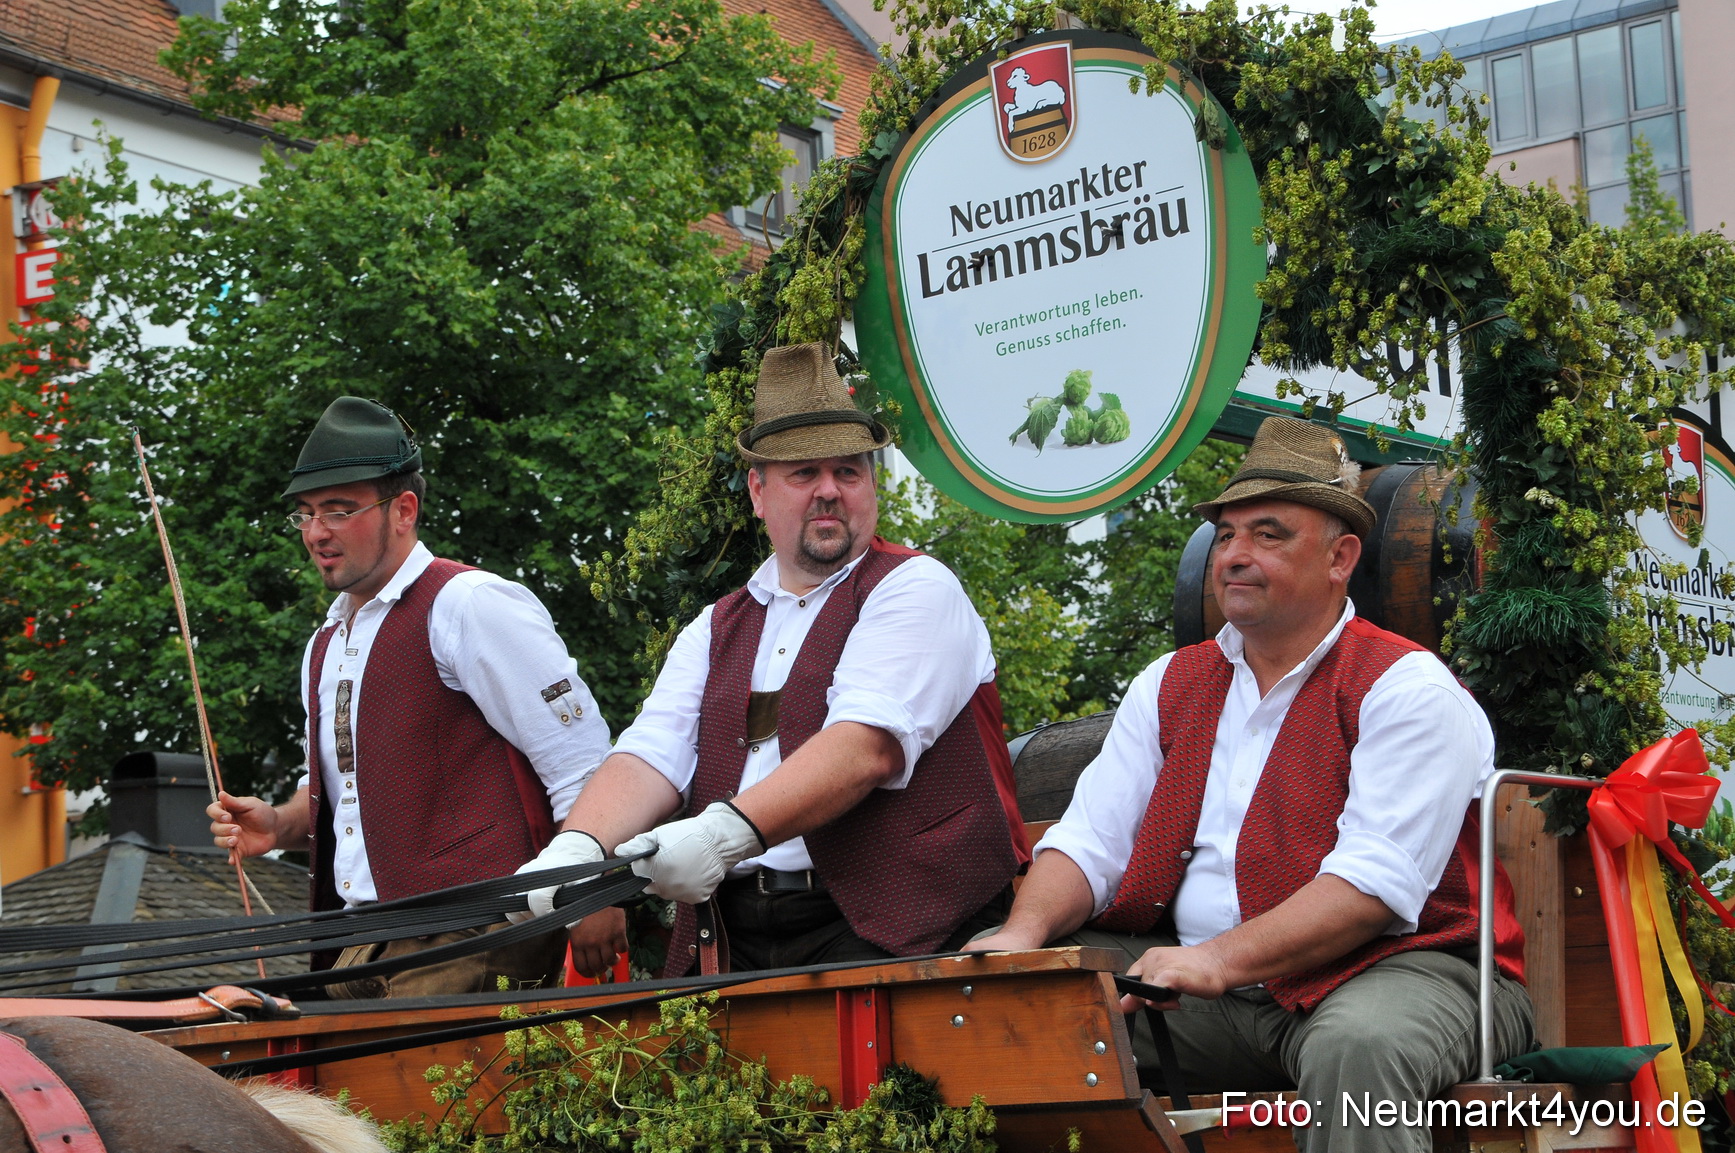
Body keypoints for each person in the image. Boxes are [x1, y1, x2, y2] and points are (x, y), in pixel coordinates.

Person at [970, 417, 1534, 1153]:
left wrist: (1213, 958)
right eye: (1226, 534)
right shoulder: (1169, 682)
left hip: (1413, 971)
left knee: (1357, 1047)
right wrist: (1023, 932)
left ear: (1340, 557)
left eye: (1268, 534)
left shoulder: (1404, 686)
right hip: (1219, 992)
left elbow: (1371, 889)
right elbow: (1089, 842)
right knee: (1008, 1012)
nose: (1235, 555)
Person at [518, 342, 1029, 978]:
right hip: (734, 928)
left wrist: (716, 836)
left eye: (848, 471)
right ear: (758, 492)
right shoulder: (717, 626)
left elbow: (865, 745)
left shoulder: (916, 587)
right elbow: (652, 751)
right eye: (803, 473)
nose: (829, 492)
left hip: (897, 928)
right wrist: (578, 847)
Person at [208, 396, 612, 997]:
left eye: (340, 511)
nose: (317, 532)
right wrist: (281, 823)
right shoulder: (324, 642)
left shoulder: (469, 603)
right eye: (306, 514)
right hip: (357, 941)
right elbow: (344, 790)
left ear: (404, 509)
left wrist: (593, 893)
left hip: (474, 930)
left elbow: (581, 762)